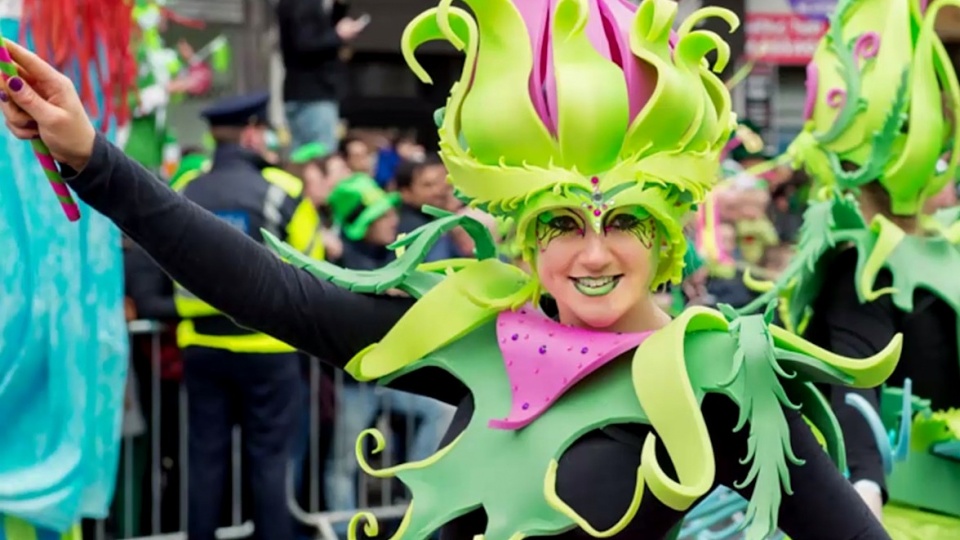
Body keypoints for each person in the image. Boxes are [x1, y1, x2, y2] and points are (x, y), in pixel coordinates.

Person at [0, 0, 899, 538]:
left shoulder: (717, 380)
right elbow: (271, 289)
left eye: (623, 220)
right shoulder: (482, 336)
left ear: (667, 234)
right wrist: (94, 159)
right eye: (561, 223)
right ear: (523, 234)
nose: (591, 254)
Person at [736, 0, 960, 536]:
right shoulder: (859, 259)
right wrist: (865, 503)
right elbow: (857, 385)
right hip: (902, 515)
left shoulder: (943, 244)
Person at [277, 0, 368, 150]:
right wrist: (338, 35)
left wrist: (339, 8)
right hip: (313, 94)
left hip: (308, 93)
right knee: (319, 158)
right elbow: (306, 43)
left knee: (306, 157)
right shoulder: (303, 4)